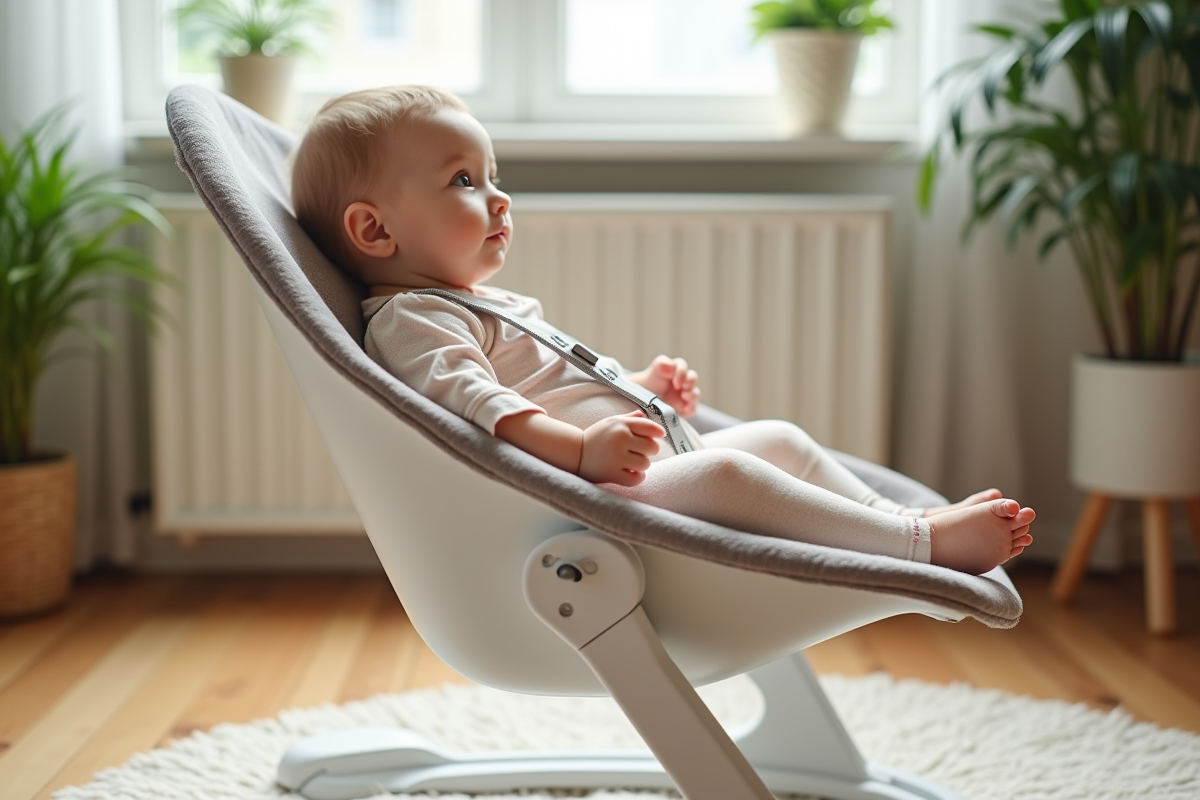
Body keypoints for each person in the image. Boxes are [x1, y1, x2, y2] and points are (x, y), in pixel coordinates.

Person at [290, 85, 1034, 575]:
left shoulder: (473, 302)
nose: (500, 197)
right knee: (733, 474)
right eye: (462, 180)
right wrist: (583, 449)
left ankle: (902, 523)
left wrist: (637, 391)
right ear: (374, 229)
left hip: (630, 469)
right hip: (579, 506)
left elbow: (549, 382)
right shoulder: (413, 321)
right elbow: (486, 411)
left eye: (492, 174)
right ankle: (923, 547)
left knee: (779, 440)